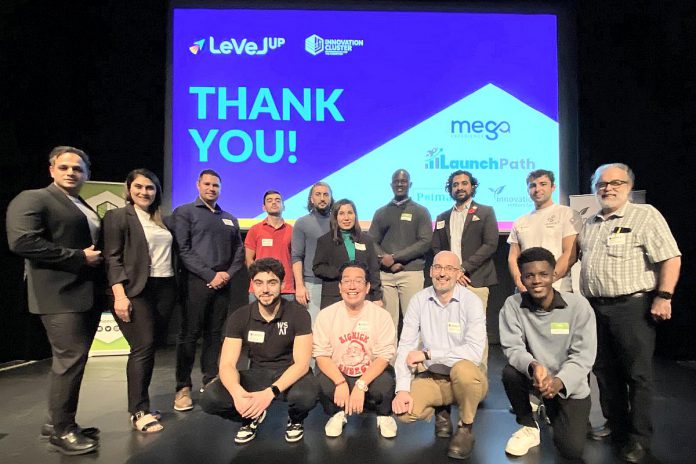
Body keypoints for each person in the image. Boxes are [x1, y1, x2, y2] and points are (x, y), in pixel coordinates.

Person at [578, 163, 681, 463]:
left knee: (637, 375)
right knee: (604, 372)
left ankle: (639, 439)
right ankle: (617, 426)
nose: (608, 188)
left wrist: (664, 296)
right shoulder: (591, 222)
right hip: (595, 308)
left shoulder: (644, 215)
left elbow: (671, 258)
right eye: (601, 184)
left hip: (631, 307)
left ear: (629, 186)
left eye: (616, 183)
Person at [6, 146, 104, 455]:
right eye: (64, 167)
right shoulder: (34, 198)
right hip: (59, 294)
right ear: (52, 170)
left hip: (82, 293)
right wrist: (78, 257)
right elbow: (22, 241)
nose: (71, 172)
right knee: (70, 360)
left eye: (78, 168)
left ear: (86, 173)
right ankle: (63, 431)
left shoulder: (80, 203)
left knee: (69, 361)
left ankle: (57, 421)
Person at [200, 258, 318, 444]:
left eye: (272, 283)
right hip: (256, 374)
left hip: (289, 373)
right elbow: (227, 364)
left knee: (306, 396)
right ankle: (249, 417)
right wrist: (237, 392)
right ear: (252, 285)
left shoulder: (298, 314)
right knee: (210, 398)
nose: (265, 289)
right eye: (259, 283)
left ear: (282, 284)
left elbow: (302, 364)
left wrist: (269, 393)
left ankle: (295, 420)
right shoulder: (239, 317)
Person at [499, 247, 596, 461]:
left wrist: (559, 382)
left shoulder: (578, 306)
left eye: (543, 274)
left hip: (566, 386)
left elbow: (584, 356)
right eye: (529, 275)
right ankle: (528, 425)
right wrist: (534, 366)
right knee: (510, 373)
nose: (536, 281)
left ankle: (547, 406)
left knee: (571, 450)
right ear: (522, 279)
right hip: (535, 379)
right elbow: (512, 348)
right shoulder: (512, 305)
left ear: (554, 275)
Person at [392, 251, 487, 460]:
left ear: (459, 273)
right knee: (404, 412)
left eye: (449, 269)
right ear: (430, 271)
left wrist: (430, 353)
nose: (442, 274)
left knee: (464, 370)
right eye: (438, 267)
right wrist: (402, 390)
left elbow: (474, 353)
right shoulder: (419, 300)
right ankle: (441, 409)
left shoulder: (471, 302)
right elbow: (406, 346)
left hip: (467, 377)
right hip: (435, 377)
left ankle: (466, 428)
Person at [103, 169, 176, 433]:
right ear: (129, 188)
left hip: (164, 287)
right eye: (139, 186)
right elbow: (112, 258)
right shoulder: (118, 216)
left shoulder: (160, 219)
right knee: (142, 346)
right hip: (135, 290)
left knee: (149, 347)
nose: (144, 192)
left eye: (150, 188)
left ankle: (142, 403)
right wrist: (120, 295)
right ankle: (138, 411)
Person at [171, 169, 245, 411]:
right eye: (207, 184)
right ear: (198, 185)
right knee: (189, 335)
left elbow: (239, 252)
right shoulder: (185, 212)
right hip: (195, 282)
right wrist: (209, 275)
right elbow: (183, 250)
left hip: (223, 283)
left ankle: (211, 378)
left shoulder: (230, 218)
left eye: (216, 185)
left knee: (215, 334)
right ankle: (182, 387)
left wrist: (226, 275)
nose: (211, 188)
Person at [313, 262, 398, 438]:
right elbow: (321, 355)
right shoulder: (326, 315)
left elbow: (384, 356)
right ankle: (338, 413)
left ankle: (383, 415)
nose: (352, 286)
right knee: (322, 381)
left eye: (358, 281)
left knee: (384, 384)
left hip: (369, 374)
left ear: (367, 287)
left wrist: (361, 384)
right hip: (340, 373)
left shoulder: (381, 316)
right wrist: (340, 382)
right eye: (346, 281)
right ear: (340, 287)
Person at [369, 169, 432, 332]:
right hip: (386, 275)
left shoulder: (421, 211)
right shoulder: (381, 212)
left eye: (403, 181)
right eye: (396, 181)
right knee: (387, 323)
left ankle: (413, 358)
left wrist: (395, 258)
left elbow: (425, 242)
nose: (400, 184)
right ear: (391, 185)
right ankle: (389, 358)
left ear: (410, 184)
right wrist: (387, 261)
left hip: (411, 273)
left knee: (414, 321)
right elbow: (372, 241)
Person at [432, 170, 498, 312]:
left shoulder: (485, 212)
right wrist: (451, 271)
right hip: (448, 280)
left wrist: (463, 269)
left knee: (476, 327)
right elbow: (437, 248)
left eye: (464, 183)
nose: (459, 187)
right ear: (450, 189)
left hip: (475, 280)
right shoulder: (442, 217)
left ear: (472, 187)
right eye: (455, 185)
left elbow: (490, 244)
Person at [507, 170, 582, 293]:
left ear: (553, 187)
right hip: (526, 291)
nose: (537, 189)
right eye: (532, 185)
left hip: (558, 289)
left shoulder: (566, 213)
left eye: (543, 184)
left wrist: (547, 281)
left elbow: (570, 254)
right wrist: (519, 282)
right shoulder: (520, 221)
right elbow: (513, 258)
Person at [313, 199, 382, 309]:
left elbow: (373, 270)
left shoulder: (367, 240)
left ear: (355, 215)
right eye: (341, 213)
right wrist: (343, 273)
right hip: (334, 297)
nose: (346, 218)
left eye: (350, 213)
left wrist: (377, 297)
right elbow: (318, 268)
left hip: (362, 297)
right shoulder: (325, 241)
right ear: (335, 217)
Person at [291, 182, 333, 324]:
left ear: (331, 199)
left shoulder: (338, 222)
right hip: (312, 284)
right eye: (318, 194)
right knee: (314, 328)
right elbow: (296, 256)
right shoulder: (302, 223)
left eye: (326, 195)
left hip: (336, 283)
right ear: (311, 199)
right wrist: (300, 286)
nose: (322, 198)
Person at [244, 190, 294, 301]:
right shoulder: (255, 230)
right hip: (259, 289)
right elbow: (248, 259)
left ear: (283, 206)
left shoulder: (292, 230)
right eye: (269, 200)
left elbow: (296, 259)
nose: (274, 203)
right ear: (264, 207)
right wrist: (258, 280)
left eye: (278, 200)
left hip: (285, 288)